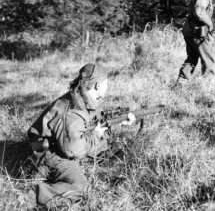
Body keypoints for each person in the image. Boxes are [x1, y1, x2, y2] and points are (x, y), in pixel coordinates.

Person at [27, 63, 135, 207]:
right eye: (106, 83)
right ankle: (32, 195)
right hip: (49, 152)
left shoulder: (83, 96)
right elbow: (73, 149)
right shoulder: (75, 109)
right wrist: (95, 135)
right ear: (97, 86)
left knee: (109, 151)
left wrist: (118, 122)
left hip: (62, 144)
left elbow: (90, 124)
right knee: (82, 189)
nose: (108, 86)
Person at [176, 0, 215, 83]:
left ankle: (180, 85)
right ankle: (206, 89)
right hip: (197, 33)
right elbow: (199, 10)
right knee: (208, 61)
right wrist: (210, 24)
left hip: (190, 31)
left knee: (191, 59)